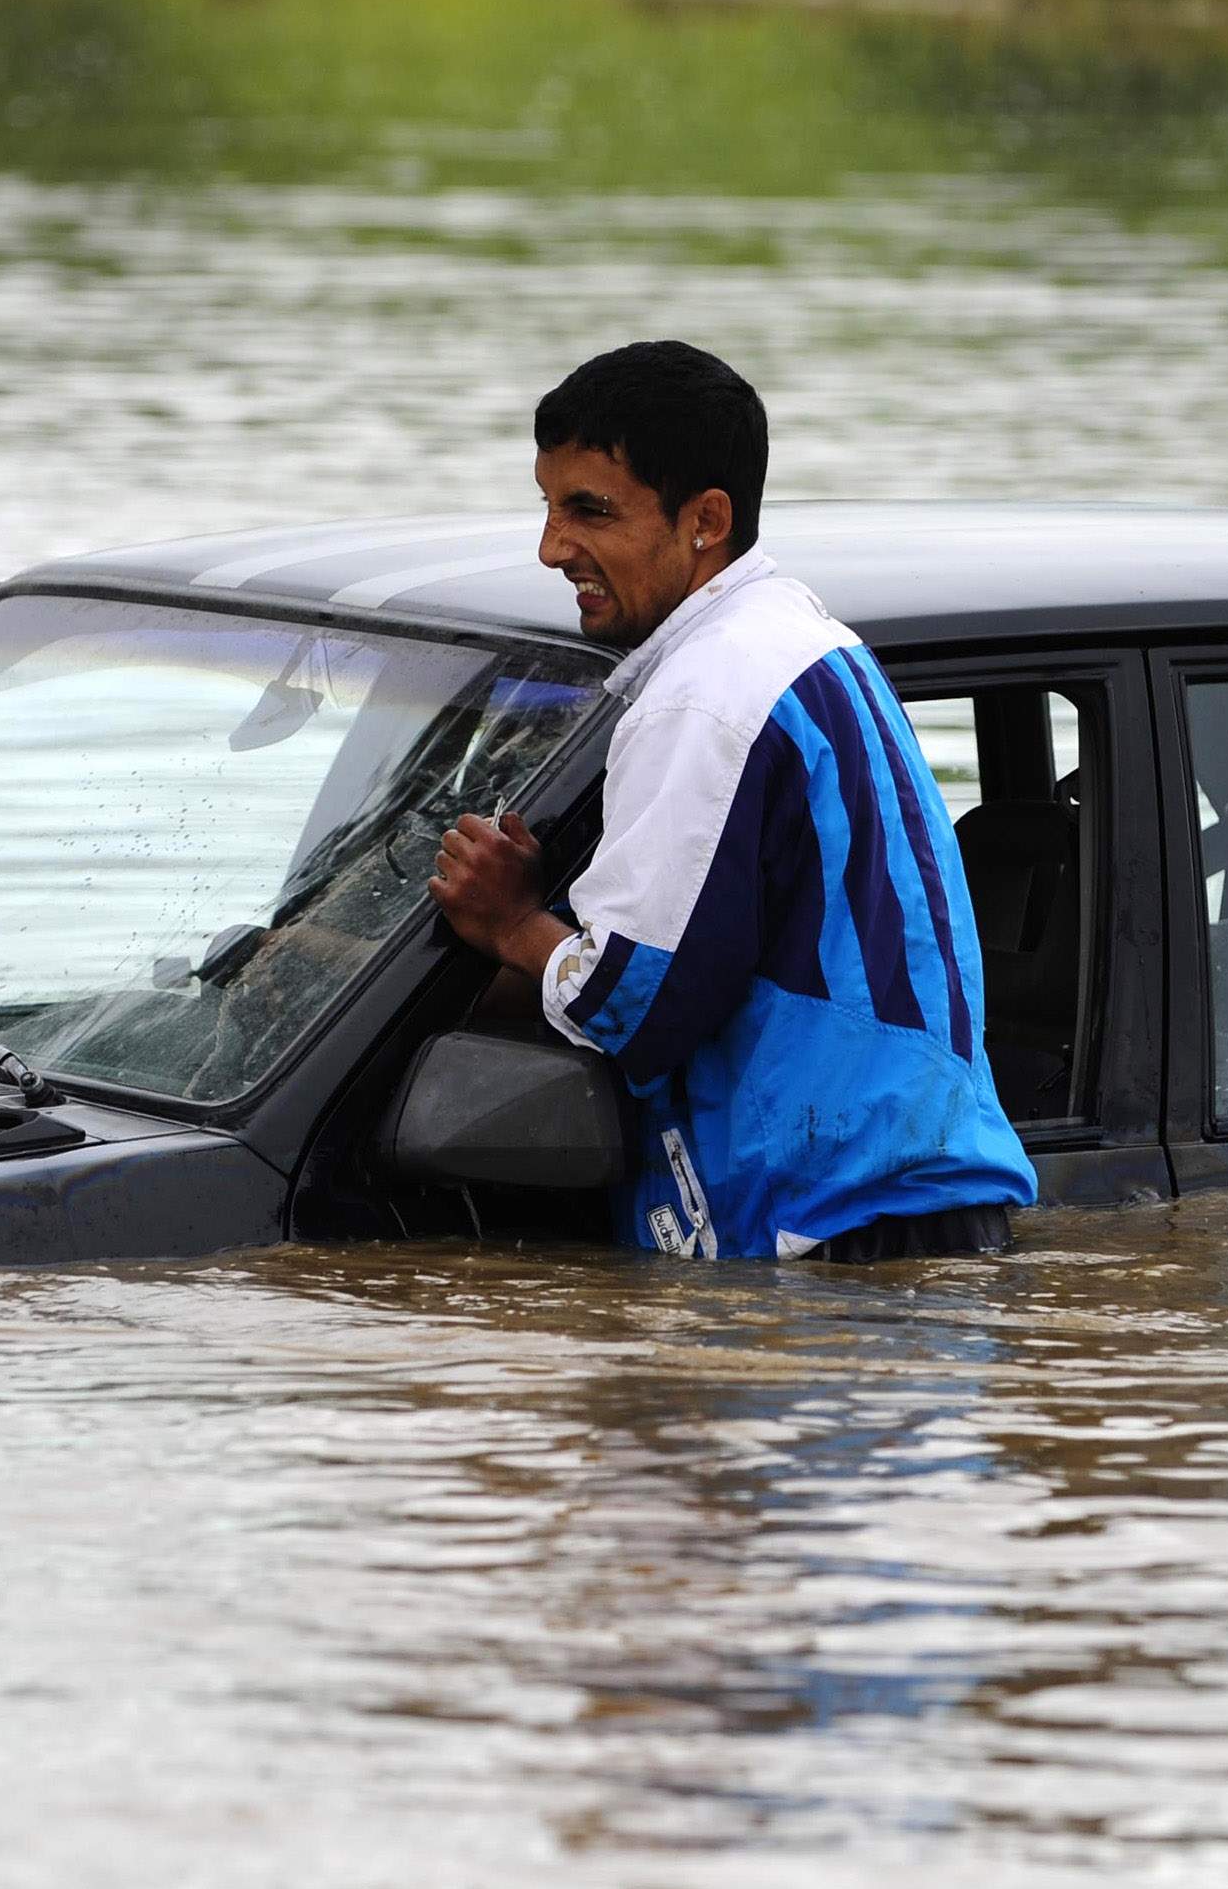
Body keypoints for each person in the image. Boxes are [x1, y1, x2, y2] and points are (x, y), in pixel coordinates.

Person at [425, 340, 1035, 1262]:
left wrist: (512, 923)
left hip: (842, 1230)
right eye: (548, 507)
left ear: (706, 518)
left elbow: (639, 1002)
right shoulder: (796, 639)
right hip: (899, 1212)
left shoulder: (707, 693)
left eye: (590, 510)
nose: (552, 548)